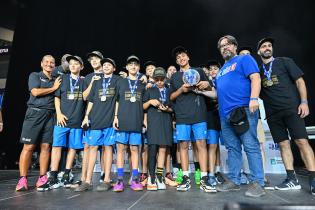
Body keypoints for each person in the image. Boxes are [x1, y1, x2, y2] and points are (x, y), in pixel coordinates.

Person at [257, 37, 315, 194]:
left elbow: (300, 81)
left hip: (291, 109)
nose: (267, 48)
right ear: (259, 51)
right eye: (264, 46)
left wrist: (304, 102)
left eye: (269, 46)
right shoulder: (258, 71)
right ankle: (291, 179)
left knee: (302, 142)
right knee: (283, 145)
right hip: (273, 114)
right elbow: (260, 93)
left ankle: (314, 179)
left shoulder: (285, 61)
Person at [215, 35, 265, 197]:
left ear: (235, 46)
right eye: (221, 46)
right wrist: (199, 90)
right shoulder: (221, 70)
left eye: (228, 44)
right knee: (232, 148)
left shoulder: (244, 59)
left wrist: (253, 98)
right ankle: (234, 181)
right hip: (225, 115)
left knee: (250, 145)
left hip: (243, 108)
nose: (225, 47)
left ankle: (258, 182)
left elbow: (255, 78)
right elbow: (217, 93)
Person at [170, 46, 214, 192]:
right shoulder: (175, 76)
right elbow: (171, 97)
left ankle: (204, 178)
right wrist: (181, 90)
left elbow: (211, 90)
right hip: (182, 116)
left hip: (199, 114)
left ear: (188, 57)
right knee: (183, 146)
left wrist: (207, 84)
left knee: (201, 144)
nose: (181, 58)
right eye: (178, 58)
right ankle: (185, 178)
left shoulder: (199, 71)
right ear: (176, 61)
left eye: (183, 56)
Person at [38, 55, 85, 191]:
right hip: (62, 119)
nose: (73, 66)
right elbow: (57, 97)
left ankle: (66, 174)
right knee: (57, 146)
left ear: (81, 67)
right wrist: (58, 113)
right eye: (71, 64)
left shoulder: (84, 81)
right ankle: (52, 176)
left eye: (76, 64)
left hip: (77, 120)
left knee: (72, 147)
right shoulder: (62, 79)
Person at [16, 55, 61, 191]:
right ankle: (22, 179)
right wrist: (53, 88)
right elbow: (35, 92)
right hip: (34, 114)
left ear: (55, 65)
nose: (49, 64)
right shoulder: (35, 75)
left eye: (52, 62)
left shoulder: (56, 78)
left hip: (50, 115)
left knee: (46, 146)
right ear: (41, 64)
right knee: (29, 147)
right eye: (46, 62)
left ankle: (42, 177)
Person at [76, 57, 119, 191]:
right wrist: (86, 116)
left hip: (109, 119)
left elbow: (118, 100)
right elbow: (91, 100)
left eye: (109, 65)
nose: (106, 66)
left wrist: (116, 116)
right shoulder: (96, 80)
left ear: (114, 68)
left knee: (108, 149)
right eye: (104, 65)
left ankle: (106, 180)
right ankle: (87, 181)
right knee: (92, 148)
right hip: (95, 119)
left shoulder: (118, 80)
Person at [238, 46, 271, 188]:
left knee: (258, 145)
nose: (245, 57)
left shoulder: (256, 72)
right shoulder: (237, 73)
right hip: (238, 114)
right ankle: (243, 174)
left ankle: (261, 175)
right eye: (242, 55)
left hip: (253, 113)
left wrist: (254, 100)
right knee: (239, 146)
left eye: (247, 54)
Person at [70, 50, 104, 188]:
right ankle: (84, 178)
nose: (94, 61)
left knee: (106, 148)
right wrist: (92, 83)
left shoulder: (110, 75)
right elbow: (84, 97)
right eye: (91, 59)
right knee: (87, 146)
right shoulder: (88, 77)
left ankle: (103, 176)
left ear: (102, 60)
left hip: (106, 115)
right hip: (90, 116)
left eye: (97, 59)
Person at [112, 55, 145, 192]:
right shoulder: (120, 81)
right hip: (122, 120)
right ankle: (119, 181)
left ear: (138, 68)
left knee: (134, 149)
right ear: (126, 67)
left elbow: (144, 104)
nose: (133, 66)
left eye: (135, 64)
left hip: (136, 120)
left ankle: (135, 180)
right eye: (130, 64)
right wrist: (115, 117)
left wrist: (144, 121)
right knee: (120, 149)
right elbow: (117, 101)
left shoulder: (143, 84)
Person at [143, 67, 174, 190]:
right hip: (153, 122)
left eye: (162, 79)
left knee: (163, 148)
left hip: (166, 121)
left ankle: (159, 176)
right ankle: (151, 177)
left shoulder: (169, 91)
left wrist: (168, 109)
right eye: (157, 79)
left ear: (165, 79)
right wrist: (150, 101)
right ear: (154, 79)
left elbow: (173, 108)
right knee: (152, 148)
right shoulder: (150, 90)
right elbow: (143, 106)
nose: (160, 81)